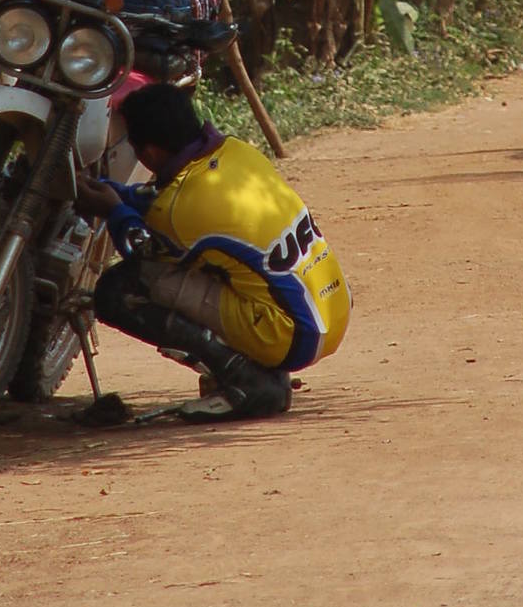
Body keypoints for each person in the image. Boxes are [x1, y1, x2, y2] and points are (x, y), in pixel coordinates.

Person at [83, 84, 351, 422]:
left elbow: (140, 249)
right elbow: (169, 203)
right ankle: (254, 363)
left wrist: (113, 211)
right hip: (331, 310)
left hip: (292, 336)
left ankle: (247, 381)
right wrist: (119, 195)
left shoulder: (179, 210)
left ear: (148, 152)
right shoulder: (236, 151)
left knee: (120, 290)